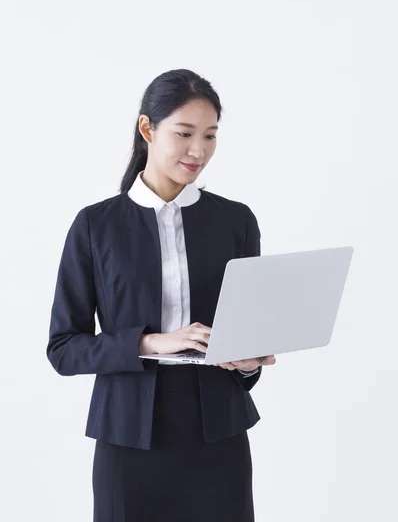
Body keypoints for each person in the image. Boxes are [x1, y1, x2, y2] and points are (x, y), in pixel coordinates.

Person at [46, 68, 276, 521]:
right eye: (185, 133)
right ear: (147, 128)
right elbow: (63, 349)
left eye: (210, 135)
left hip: (219, 436)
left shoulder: (237, 222)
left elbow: (245, 340)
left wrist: (249, 363)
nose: (200, 150)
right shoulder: (96, 226)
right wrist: (150, 342)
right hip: (129, 438)